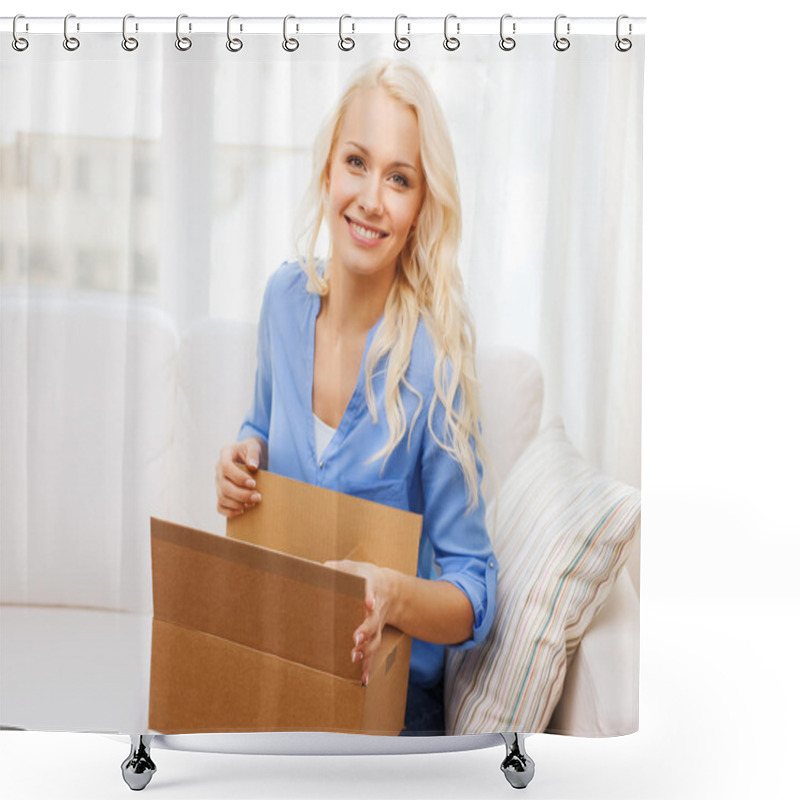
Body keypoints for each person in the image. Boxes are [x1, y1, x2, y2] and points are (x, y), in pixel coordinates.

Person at [214, 60, 497, 735]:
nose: (372, 198)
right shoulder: (283, 302)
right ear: (327, 173)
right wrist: (244, 457)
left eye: (399, 179)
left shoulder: (435, 364)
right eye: (357, 163)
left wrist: (392, 593)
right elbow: (261, 421)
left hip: (388, 704)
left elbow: (475, 591)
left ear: (421, 207)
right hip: (278, 662)